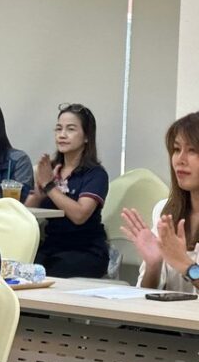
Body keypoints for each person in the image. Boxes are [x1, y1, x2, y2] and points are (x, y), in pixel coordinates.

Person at [26, 103, 109, 278]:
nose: (62, 135)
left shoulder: (96, 174)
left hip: (85, 251)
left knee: (46, 274)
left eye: (70, 129)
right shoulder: (50, 169)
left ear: (87, 136)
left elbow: (80, 215)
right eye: (58, 129)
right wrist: (39, 192)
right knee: (20, 268)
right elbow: (27, 213)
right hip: (51, 247)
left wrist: (50, 186)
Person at [122, 112, 199, 293]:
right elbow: (145, 293)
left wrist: (186, 265)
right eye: (176, 149)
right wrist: (153, 265)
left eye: (192, 150)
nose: (180, 160)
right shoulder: (165, 210)